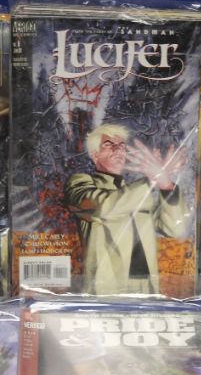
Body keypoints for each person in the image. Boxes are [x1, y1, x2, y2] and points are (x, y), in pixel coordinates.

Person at [64, 123, 189, 295]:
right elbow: (105, 207)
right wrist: (153, 180)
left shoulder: (138, 192)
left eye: (121, 146)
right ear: (95, 155)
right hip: (105, 287)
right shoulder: (80, 183)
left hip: (146, 285)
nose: (118, 150)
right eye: (109, 145)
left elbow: (175, 228)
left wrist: (167, 186)